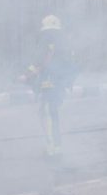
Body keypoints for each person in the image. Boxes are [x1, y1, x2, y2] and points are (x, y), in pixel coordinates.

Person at [24, 15, 77, 157]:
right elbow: (73, 65)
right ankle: (54, 145)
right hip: (59, 84)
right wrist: (68, 82)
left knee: (48, 115)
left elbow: (39, 61)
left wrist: (27, 75)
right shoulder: (65, 43)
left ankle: (53, 147)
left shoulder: (46, 41)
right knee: (51, 114)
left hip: (49, 84)